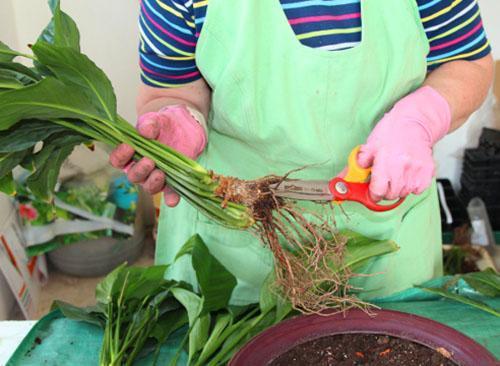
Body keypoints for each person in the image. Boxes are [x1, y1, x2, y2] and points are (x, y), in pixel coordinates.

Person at [110, 0, 494, 305]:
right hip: (234, 232)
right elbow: (171, 90)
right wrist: (179, 119)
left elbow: (467, 63)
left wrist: (420, 120)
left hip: (386, 235)